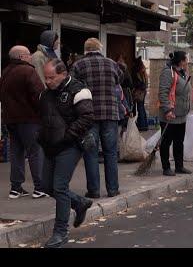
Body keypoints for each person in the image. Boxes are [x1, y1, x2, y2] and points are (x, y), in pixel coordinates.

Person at [38, 59, 95, 248]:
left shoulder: (80, 91)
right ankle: (79, 203)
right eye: (45, 77)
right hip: (50, 146)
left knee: (59, 187)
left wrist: (66, 137)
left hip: (70, 145)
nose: (48, 81)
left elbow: (87, 118)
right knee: (46, 186)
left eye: (51, 77)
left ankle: (60, 233)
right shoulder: (46, 94)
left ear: (63, 74)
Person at [72, 38, 123, 198]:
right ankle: (113, 189)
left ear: (85, 50)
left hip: (88, 115)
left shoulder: (78, 65)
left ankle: (93, 190)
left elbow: (72, 86)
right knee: (111, 153)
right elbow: (120, 79)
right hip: (110, 113)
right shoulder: (112, 63)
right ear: (100, 49)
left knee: (91, 153)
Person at [0, 46, 47, 199]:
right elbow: (39, 94)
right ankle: (39, 187)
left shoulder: (5, 72)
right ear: (21, 56)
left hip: (11, 119)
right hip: (29, 119)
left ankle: (16, 187)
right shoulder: (28, 71)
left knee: (16, 153)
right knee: (35, 152)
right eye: (28, 54)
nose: (31, 56)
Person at [158, 51, 193, 176]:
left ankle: (179, 166)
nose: (187, 62)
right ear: (181, 61)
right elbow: (163, 92)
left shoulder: (182, 73)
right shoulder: (168, 72)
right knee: (166, 141)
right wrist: (167, 109)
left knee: (179, 141)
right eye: (186, 60)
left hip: (181, 114)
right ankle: (166, 167)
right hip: (170, 114)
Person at [132, 56, 149, 131]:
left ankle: (141, 125)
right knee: (142, 107)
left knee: (140, 108)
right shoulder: (143, 70)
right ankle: (144, 125)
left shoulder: (136, 70)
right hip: (143, 91)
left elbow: (136, 82)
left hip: (139, 91)